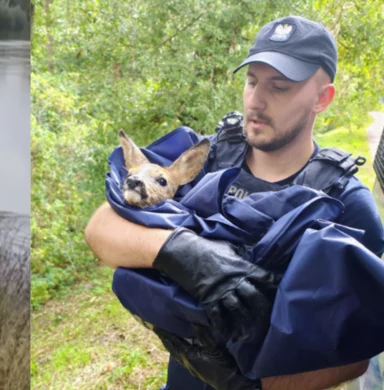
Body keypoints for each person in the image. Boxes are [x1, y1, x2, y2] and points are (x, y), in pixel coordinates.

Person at [84, 15, 384, 390]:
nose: (256, 101)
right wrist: (185, 254)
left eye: (280, 86)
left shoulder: (344, 202)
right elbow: (100, 228)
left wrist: (251, 386)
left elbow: (355, 354)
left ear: (322, 98)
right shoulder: (208, 156)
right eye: (252, 81)